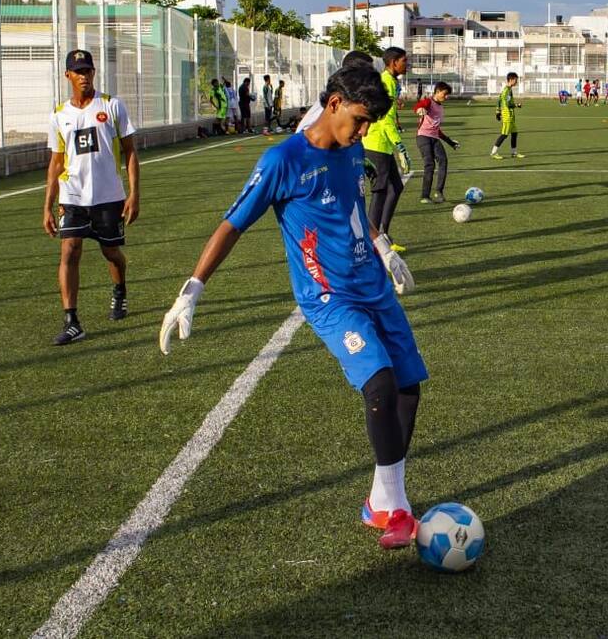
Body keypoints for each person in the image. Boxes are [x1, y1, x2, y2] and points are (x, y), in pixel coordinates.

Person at [158, 65, 424, 550]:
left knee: (408, 390)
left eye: (369, 125)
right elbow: (233, 223)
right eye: (361, 121)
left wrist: (384, 249)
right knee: (380, 382)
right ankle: (397, 509)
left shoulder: (351, 149)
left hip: (373, 285)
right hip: (330, 297)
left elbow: (353, 209)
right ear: (334, 104)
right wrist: (193, 287)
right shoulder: (284, 159)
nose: (364, 133)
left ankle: (380, 502)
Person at [43, 49, 140, 346]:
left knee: (111, 253)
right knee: (69, 251)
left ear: (94, 73)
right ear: (68, 76)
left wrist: (134, 194)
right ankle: (72, 321)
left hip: (109, 196)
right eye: (78, 72)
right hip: (72, 196)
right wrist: (47, 204)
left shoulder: (111, 106)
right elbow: (57, 161)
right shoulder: (59, 115)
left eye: (88, 71)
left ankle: (120, 290)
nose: (84, 77)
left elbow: (130, 151)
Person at [363, 48, 412, 249]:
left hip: (382, 143)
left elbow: (390, 115)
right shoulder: (385, 83)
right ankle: (372, 243)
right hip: (376, 143)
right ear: (393, 62)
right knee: (380, 190)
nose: (406, 64)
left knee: (396, 186)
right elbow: (385, 121)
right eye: (404, 61)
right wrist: (401, 148)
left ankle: (382, 235)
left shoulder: (391, 81)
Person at [415, 81, 459, 204]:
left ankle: (438, 192)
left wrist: (450, 142)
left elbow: (437, 130)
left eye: (447, 95)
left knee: (443, 161)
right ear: (438, 91)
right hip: (423, 137)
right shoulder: (429, 101)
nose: (446, 97)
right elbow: (419, 106)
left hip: (434, 138)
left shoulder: (440, 107)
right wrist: (419, 109)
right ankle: (425, 196)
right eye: (445, 94)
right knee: (429, 164)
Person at [490, 71, 524, 160]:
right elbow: (506, 103)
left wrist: (497, 111)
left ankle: (514, 152)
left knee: (514, 133)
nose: (516, 82)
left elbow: (499, 100)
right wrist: (516, 105)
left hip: (511, 115)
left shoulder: (508, 89)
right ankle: (493, 152)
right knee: (504, 134)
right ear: (511, 80)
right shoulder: (506, 90)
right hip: (507, 115)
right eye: (516, 80)